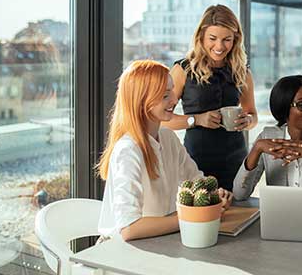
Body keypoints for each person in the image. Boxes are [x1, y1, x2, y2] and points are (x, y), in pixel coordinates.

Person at [96, 60, 232, 241]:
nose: (175, 100)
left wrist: (215, 197)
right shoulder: (128, 150)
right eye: (165, 95)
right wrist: (194, 217)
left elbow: (197, 181)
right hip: (123, 252)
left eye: (173, 92)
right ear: (142, 100)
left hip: (162, 241)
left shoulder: (167, 137)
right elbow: (129, 228)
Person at [164, 5, 258, 191]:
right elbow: (162, 120)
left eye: (227, 40)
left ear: (235, 40)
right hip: (195, 161)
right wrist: (197, 119)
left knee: (237, 214)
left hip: (236, 159)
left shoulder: (242, 71)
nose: (219, 46)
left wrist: (247, 121)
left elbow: (253, 116)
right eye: (213, 39)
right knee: (201, 216)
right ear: (201, 37)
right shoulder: (183, 70)